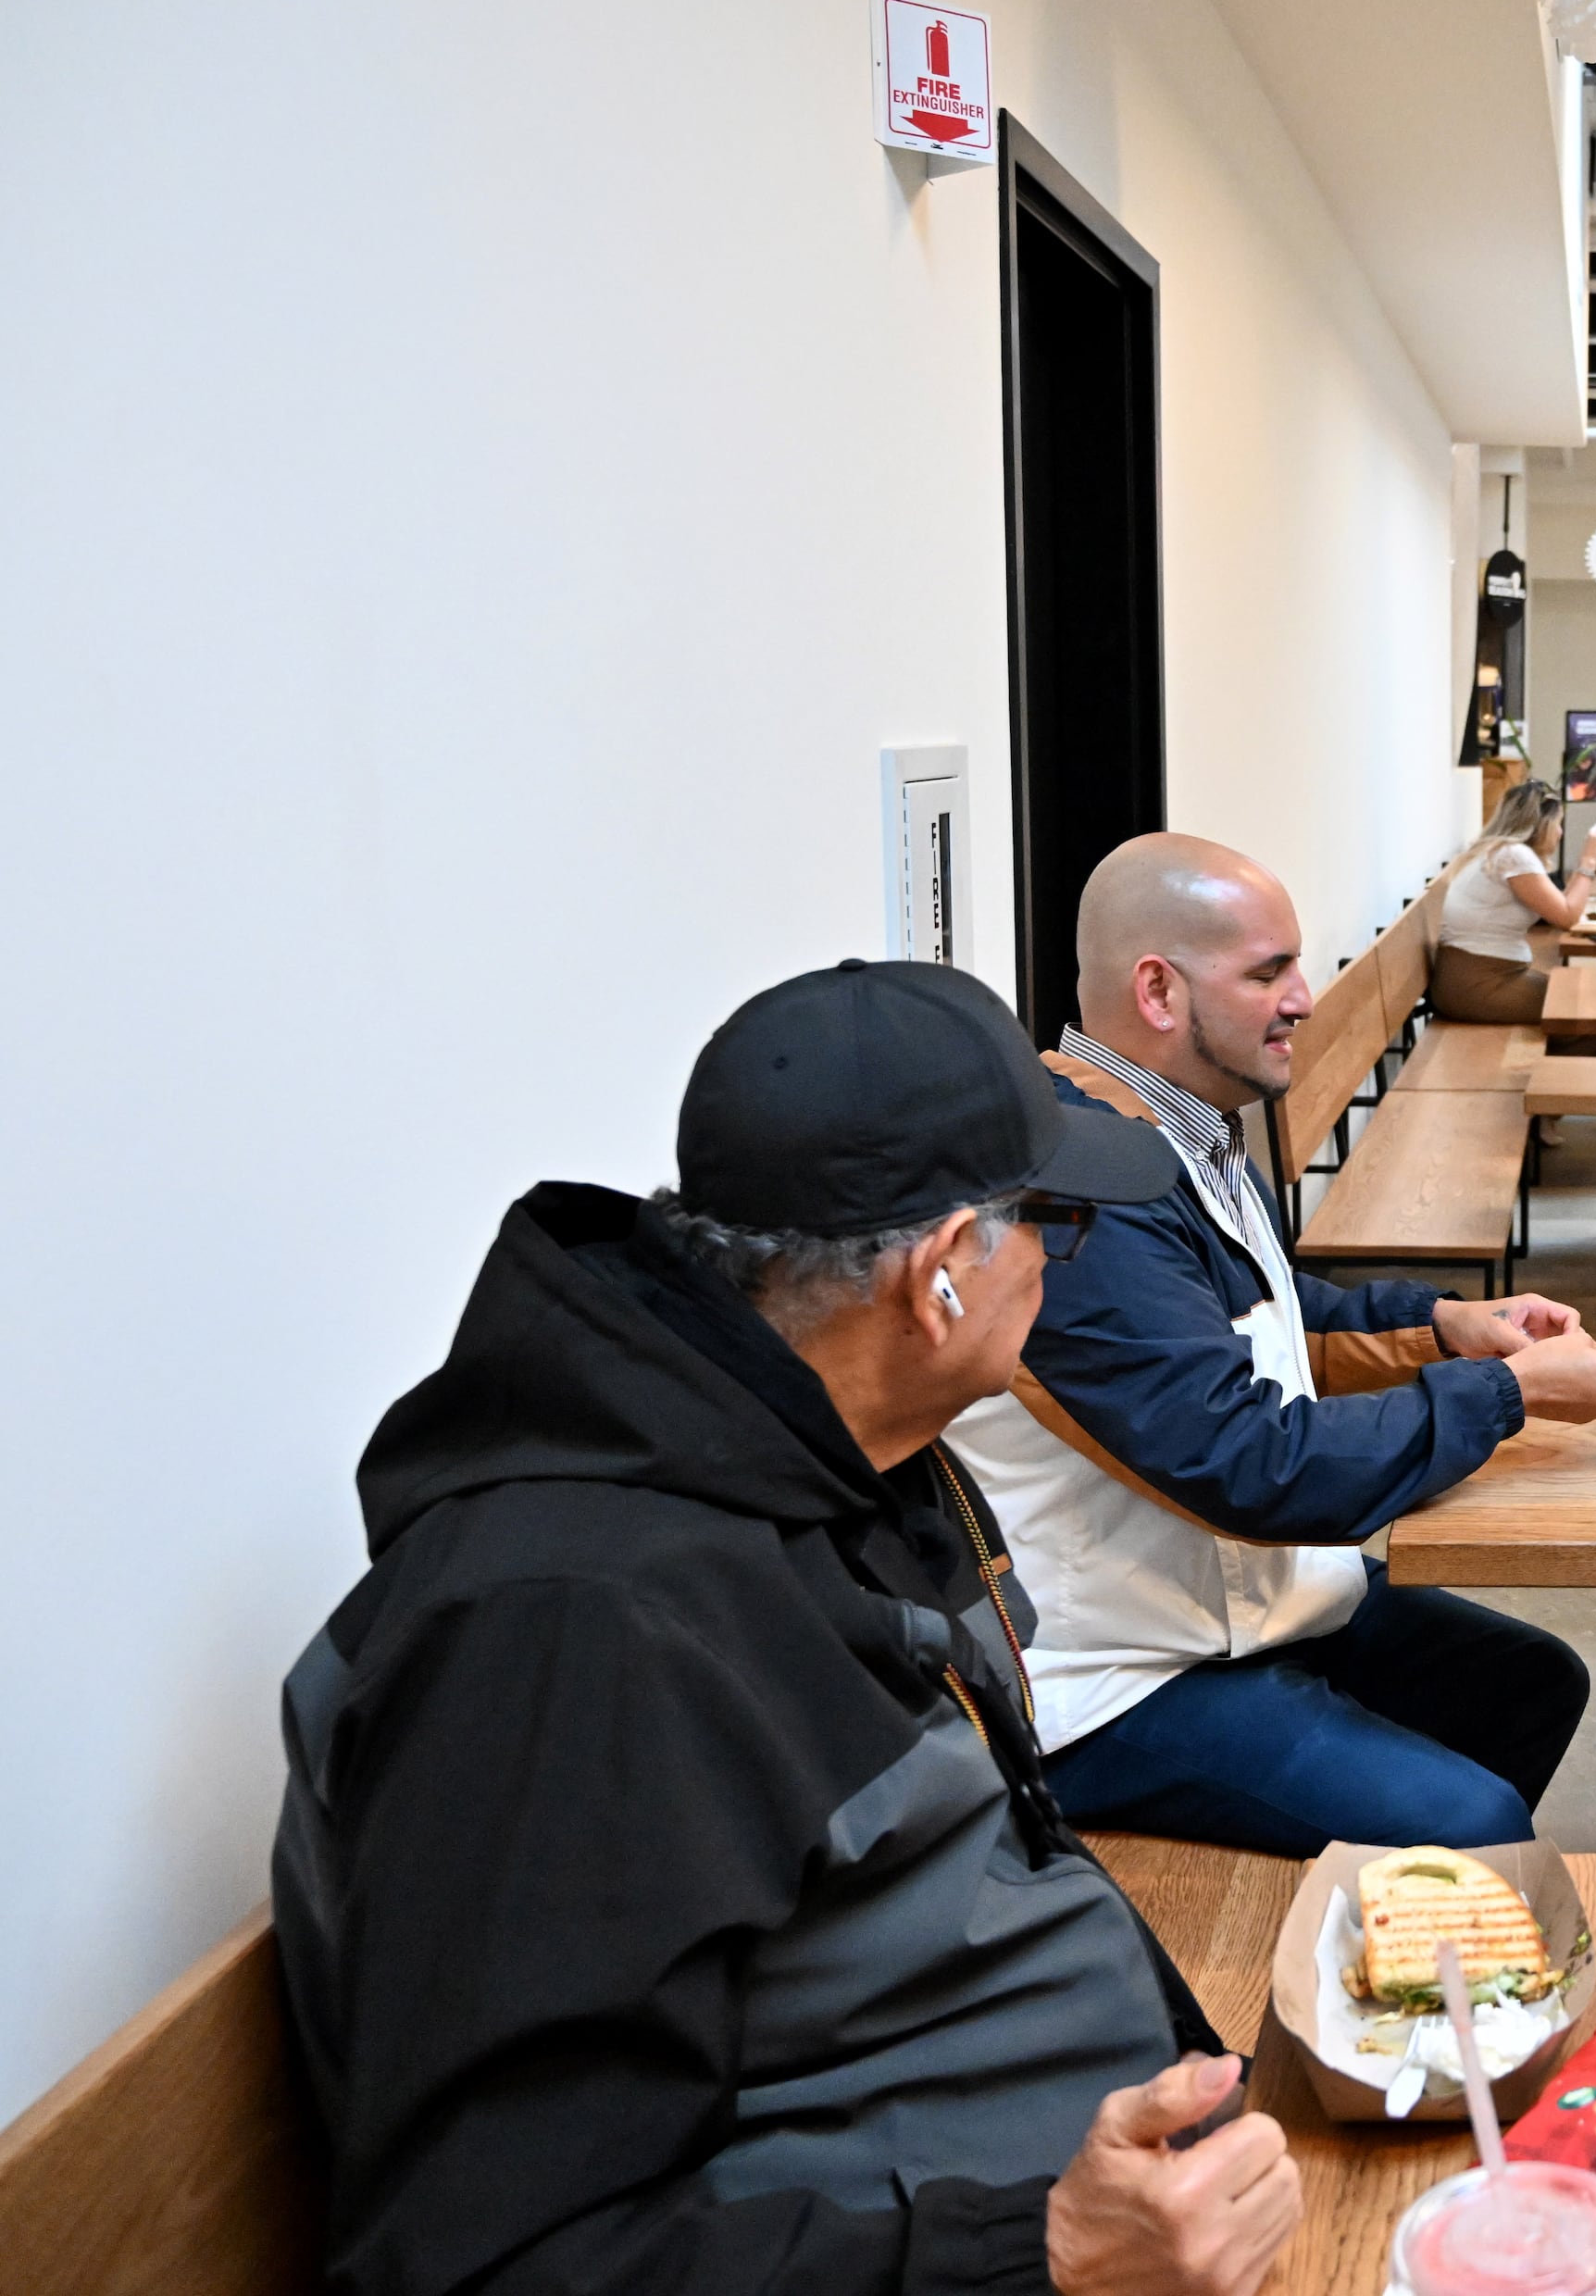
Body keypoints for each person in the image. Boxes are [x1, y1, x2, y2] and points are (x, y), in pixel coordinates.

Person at [273, 958, 1300, 2296]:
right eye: (1054, 1221)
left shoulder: (809, 1449)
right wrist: (1044, 2252)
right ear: (940, 1275)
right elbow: (483, 2257)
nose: (1059, 1262)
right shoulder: (570, 1639)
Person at [949, 833, 1596, 1853]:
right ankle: (1365, 1929)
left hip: (1246, 1599)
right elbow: (1249, 1463)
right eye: (1268, 972)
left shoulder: (1186, 1121)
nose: (1303, 994)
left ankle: (1379, 1921)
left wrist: (1447, 1328)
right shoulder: (1085, 1191)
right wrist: (1505, 1392)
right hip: (1124, 1672)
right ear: (1158, 991)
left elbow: (1277, 1308)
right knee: (1471, 1819)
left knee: (1528, 1681)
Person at [1432, 777, 1596, 1024]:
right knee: (1593, 1013)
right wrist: (1589, 859)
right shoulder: (1513, 856)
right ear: (1542, 825)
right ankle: (1559, 1062)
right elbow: (1568, 917)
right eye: (1558, 823)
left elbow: (1559, 906)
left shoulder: (1496, 851)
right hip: (1479, 983)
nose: (1560, 833)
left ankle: (1558, 1061)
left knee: (1579, 998)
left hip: (1470, 976)